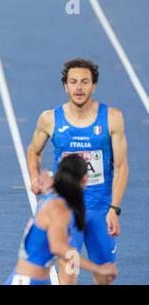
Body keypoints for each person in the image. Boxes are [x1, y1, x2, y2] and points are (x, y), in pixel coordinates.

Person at [27, 58, 128, 284]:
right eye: (73, 82)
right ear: (65, 86)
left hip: (100, 211)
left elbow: (121, 167)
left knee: (104, 273)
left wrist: (114, 209)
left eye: (84, 82)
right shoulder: (50, 119)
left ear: (94, 86)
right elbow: (33, 150)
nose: (79, 88)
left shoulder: (112, 118)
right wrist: (34, 178)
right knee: (69, 269)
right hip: (67, 210)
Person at [6, 155, 117, 285]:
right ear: (84, 180)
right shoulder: (59, 209)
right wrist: (98, 269)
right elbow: (58, 247)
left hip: (34, 280)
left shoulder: (54, 199)